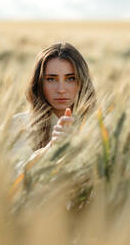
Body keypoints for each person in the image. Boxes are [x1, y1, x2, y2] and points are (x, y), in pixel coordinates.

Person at [8, 42, 96, 177]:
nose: (61, 89)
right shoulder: (19, 124)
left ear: (82, 82)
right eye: (51, 79)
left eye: (70, 78)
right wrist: (51, 148)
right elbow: (16, 178)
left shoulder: (98, 126)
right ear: (39, 84)